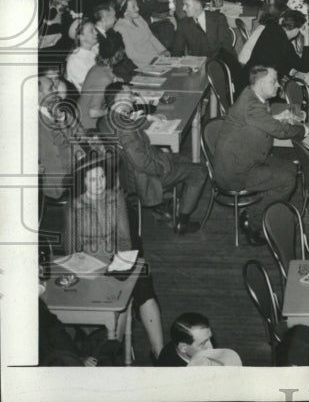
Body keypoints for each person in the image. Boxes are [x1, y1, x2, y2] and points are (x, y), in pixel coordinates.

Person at [67, 154, 166, 360]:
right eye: (92, 179)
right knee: (117, 298)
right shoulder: (73, 208)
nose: (99, 184)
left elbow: (124, 240)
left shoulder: (116, 198)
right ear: (82, 181)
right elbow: (72, 252)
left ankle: (160, 353)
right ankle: (113, 351)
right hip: (90, 270)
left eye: (102, 178)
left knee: (142, 285)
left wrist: (119, 262)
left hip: (117, 262)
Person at [212, 65, 309, 244]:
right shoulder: (252, 105)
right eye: (273, 81)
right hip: (236, 171)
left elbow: (259, 122)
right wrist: (306, 130)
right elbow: (279, 132)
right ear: (260, 83)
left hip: (245, 160)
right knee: (287, 180)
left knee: (290, 168)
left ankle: (272, 209)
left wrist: (277, 118)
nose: (278, 85)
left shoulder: (251, 94)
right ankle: (251, 220)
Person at [99, 82, 207, 234]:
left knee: (183, 159)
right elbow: (142, 163)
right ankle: (183, 221)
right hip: (146, 179)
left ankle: (169, 205)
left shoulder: (108, 119)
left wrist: (148, 118)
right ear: (119, 98)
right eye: (129, 94)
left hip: (127, 175)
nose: (133, 98)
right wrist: (163, 168)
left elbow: (130, 125)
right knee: (199, 171)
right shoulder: (126, 129)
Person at [170, 0, 245, 91]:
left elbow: (225, 47)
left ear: (198, 5)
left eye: (186, 5)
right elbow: (177, 51)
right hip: (198, 66)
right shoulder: (184, 24)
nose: (183, 8)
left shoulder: (218, 18)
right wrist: (181, 65)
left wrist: (210, 64)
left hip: (221, 61)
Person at [38, 74, 86, 198]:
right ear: (38, 95)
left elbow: (79, 134)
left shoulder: (59, 111)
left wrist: (62, 119)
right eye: (50, 89)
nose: (55, 91)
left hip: (77, 173)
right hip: (55, 186)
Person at [78, 32, 136, 131]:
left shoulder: (99, 68)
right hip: (91, 126)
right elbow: (93, 113)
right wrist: (114, 109)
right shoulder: (103, 79)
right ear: (119, 54)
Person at [245, 8, 309, 80]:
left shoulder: (271, 28)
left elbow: (274, 59)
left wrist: (288, 70)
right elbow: (304, 67)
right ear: (296, 29)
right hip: (256, 85)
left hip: (247, 76)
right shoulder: (286, 45)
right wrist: (307, 37)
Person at [114, 0, 167, 67]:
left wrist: (163, 51)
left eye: (137, 5)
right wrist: (155, 59)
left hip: (158, 58)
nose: (138, 8)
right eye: (133, 7)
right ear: (125, 12)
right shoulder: (119, 28)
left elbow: (151, 37)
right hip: (143, 64)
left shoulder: (139, 18)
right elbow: (132, 54)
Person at [65, 19, 100, 90]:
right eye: (91, 31)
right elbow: (89, 87)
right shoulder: (75, 60)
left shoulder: (94, 50)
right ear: (81, 37)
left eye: (95, 29)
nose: (96, 33)